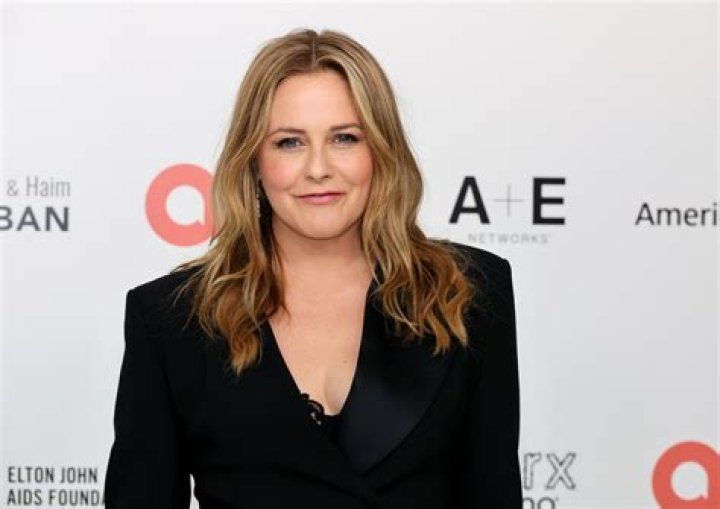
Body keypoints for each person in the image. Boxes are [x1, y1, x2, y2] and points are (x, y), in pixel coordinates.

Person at [103, 27, 521, 508]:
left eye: (344, 138)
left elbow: (493, 491)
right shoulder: (171, 318)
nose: (318, 168)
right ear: (254, 160)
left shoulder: (467, 293)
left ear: (380, 150)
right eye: (289, 143)